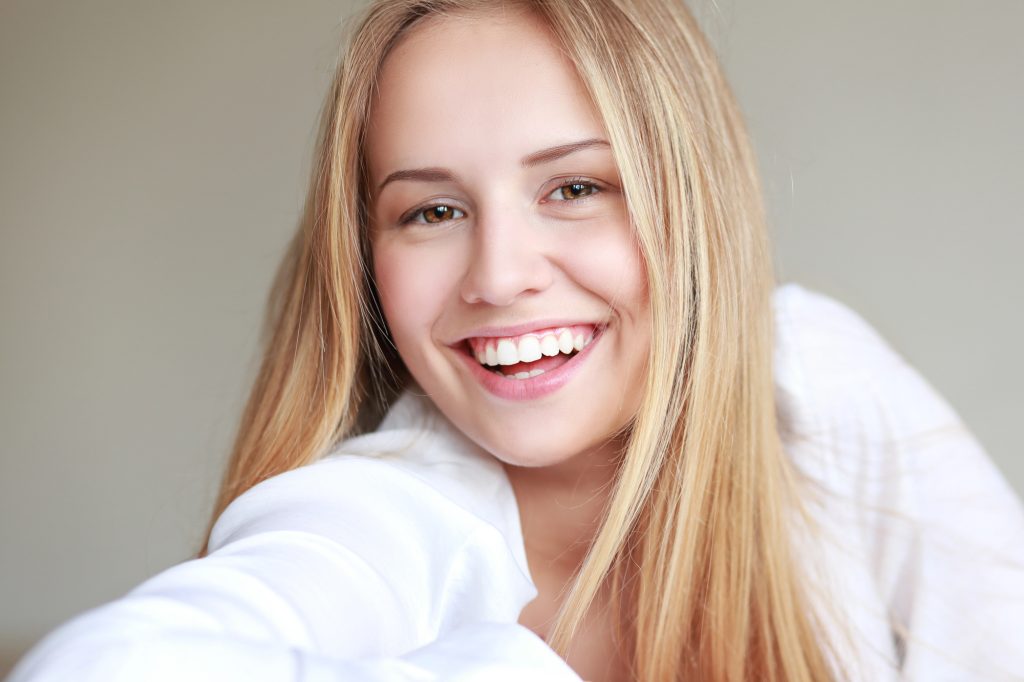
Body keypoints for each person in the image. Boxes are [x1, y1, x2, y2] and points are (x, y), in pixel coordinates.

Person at [9, 1, 1024, 680]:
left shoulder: (809, 384)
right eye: (430, 212)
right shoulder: (377, 512)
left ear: (692, 207)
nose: (498, 274)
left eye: (576, 188)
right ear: (366, 259)